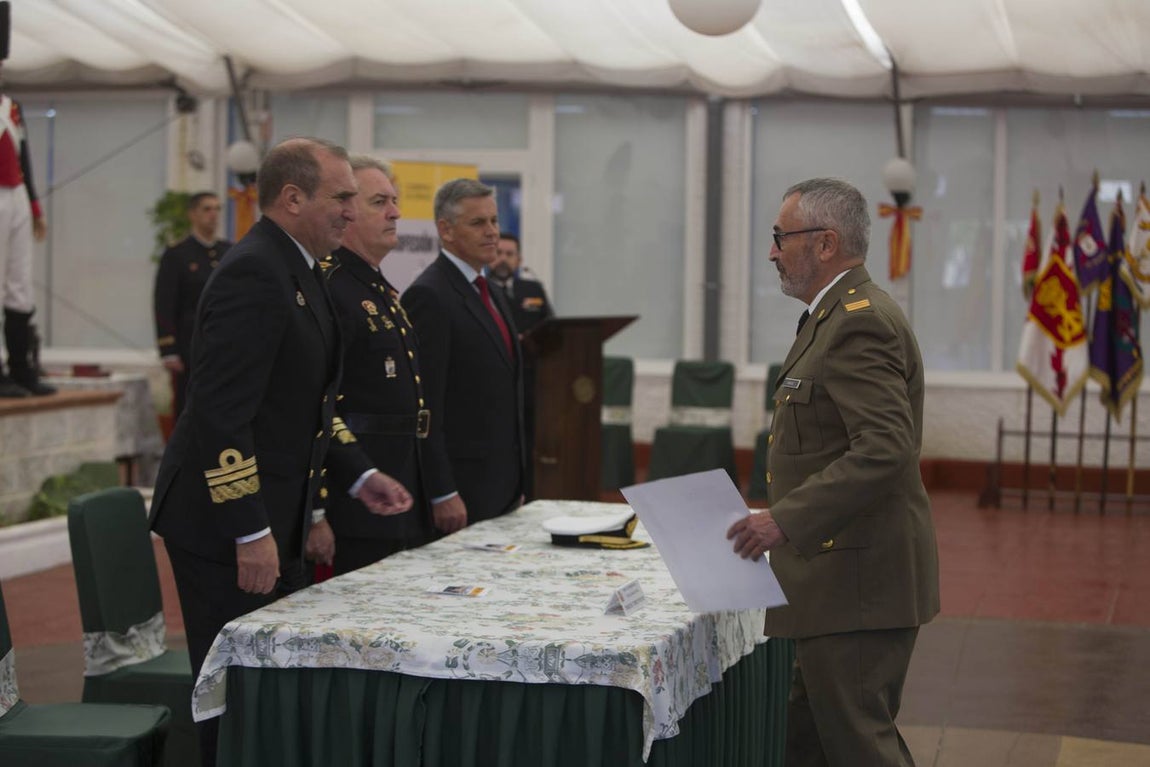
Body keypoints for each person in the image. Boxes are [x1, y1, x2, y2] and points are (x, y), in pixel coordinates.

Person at [148, 137, 413, 766]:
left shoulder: (302, 270)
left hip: (277, 516)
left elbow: (308, 407)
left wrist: (358, 475)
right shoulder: (254, 271)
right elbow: (221, 414)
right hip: (224, 527)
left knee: (272, 692)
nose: (351, 211)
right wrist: (249, 530)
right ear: (292, 198)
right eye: (342, 197)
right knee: (236, 696)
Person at [726, 177, 939, 766]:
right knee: (811, 741)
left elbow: (885, 448)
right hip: (835, 576)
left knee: (856, 745)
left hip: (859, 582)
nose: (772, 252)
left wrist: (784, 521)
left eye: (779, 237)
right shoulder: (834, 316)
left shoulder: (857, 322)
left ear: (825, 244)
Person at [307, 156, 434, 574]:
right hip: (355, 497)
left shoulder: (378, 287)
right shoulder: (330, 287)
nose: (396, 212)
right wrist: (317, 511)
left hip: (400, 482)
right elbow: (317, 408)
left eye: (395, 200)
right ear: (347, 212)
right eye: (380, 201)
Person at [401, 178, 524, 534]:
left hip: (502, 482)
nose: (492, 233)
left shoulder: (494, 292)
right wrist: (442, 491)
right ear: (446, 229)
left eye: (494, 221)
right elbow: (426, 406)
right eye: (477, 223)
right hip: (462, 487)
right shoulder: (429, 296)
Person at [0, 5, 54, 398]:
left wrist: (34, 204)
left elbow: (24, 158)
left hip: (15, 194)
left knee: (20, 286)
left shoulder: (10, 105)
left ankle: (23, 367)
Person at [153, 191, 232, 419]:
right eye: (207, 209)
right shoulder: (177, 254)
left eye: (217, 209)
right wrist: (168, 350)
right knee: (189, 408)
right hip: (190, 349)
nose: (213, 215)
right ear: (192, 214)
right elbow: (164, 303)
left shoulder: (228, 251)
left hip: (225, 346)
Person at [488, 232, 554, 335]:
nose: (503, 259)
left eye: (509, 254)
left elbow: (550, 325)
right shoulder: (478, 288)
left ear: (519, 261)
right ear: (489, 258)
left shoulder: (533, 289)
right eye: (498, 253)